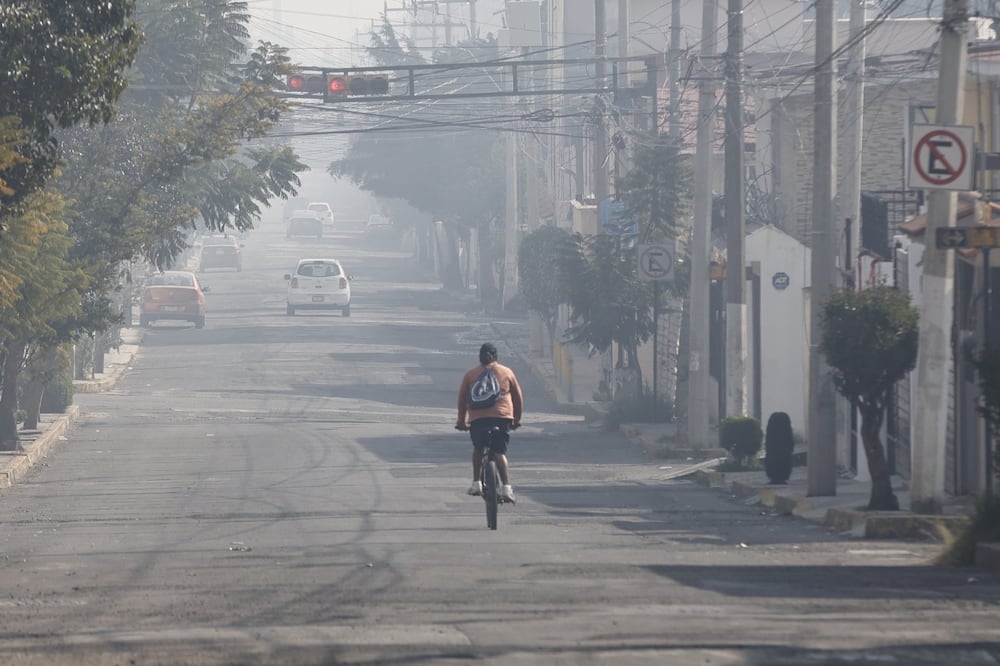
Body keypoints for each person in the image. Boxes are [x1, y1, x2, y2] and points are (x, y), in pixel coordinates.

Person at [455, 342, 523, 502]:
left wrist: (461, 422)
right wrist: (516, 420)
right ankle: (506, 488)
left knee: (478, 448)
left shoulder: (470, 374)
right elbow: (518, 398)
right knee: (499, 452)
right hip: (502, 416)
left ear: (480, 358)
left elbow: (462, 399)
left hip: (478, 419)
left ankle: (477, 483)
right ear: (496, 357)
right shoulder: (507, 372)